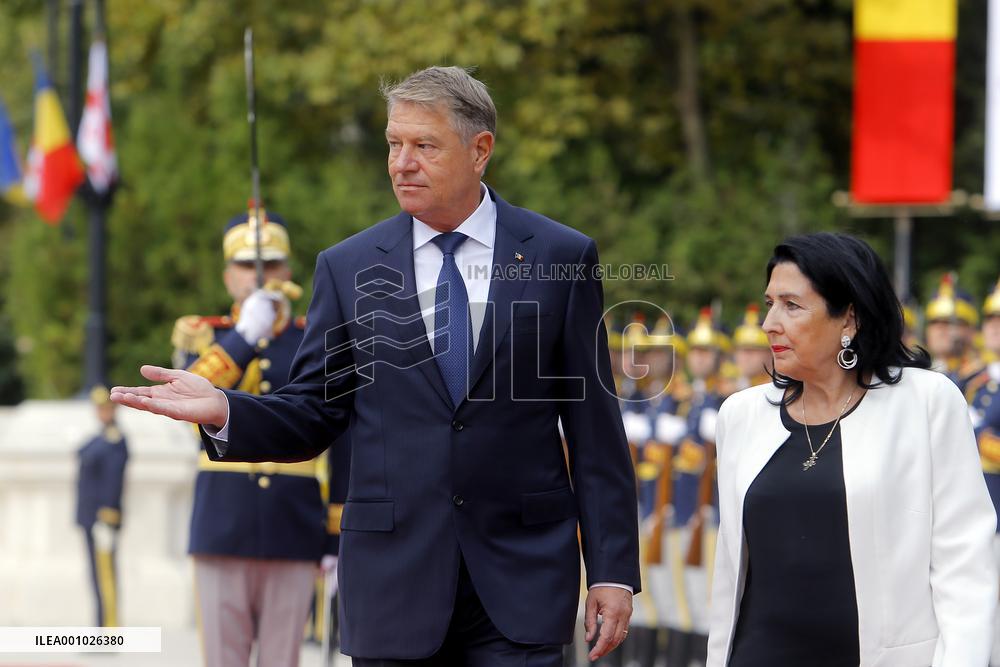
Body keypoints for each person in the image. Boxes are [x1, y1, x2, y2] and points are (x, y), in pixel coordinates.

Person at [112, 66, 640, 666]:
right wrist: (226, 409)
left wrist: (613, 570)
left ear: (480, 150)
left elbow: (595, 429)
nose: (401, 164)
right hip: (394, 588)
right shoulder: (348, 267)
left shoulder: (561, 257)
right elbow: (315, 410)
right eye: (393, 144)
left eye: (424, 146)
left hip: (521, 583)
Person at [707, 233, 998, 666]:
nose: (769, 323)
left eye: (791, 305)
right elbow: (730, 575)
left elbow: (965, 564)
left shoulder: (927, 402)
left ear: (849, 319)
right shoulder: (741, 415)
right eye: (769, 303)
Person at [171, 207, 345, 667]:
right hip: (223, 520)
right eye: (247, 264)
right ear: (228, 275)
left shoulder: (315, 339)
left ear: (288, 271)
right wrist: (245, 336)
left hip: (294, 521)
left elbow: (339, 435)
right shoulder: (204, 335)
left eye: (271, 264)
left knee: (282, 658)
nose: (259, 274)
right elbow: (189, 404)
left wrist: (336, 535)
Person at [75, 385, 129, 628]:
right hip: (90, 517)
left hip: (102, 518)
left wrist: (108, 516)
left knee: (106, 577)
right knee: (97, 577)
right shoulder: (99, 438)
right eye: (99, 408)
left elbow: (113, 481)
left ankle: (109, 631)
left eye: (106, 408)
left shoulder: (115, 440)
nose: (102, 412)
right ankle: (101, 628)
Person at [925, 273, 983, 391]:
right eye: (934, 321)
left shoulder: (981, 378)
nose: (940, 328)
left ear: (971, 330)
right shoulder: (918, 374)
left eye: (950, 321)